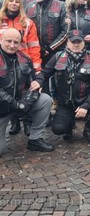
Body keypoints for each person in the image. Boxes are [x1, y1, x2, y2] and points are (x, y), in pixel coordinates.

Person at [30, 30, 90, 144]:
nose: (76, 45)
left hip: (85, 100)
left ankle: (88, 129)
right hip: (66, 103)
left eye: (79, 42)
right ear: (67, 43)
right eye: (72, 42)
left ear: (84, 43)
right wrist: (38, 81)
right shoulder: (58, 56)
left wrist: (85, 105)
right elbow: (45, 73)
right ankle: (69, 125)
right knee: (58, 129)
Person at [0, 28, 54, 156]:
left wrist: (25, 103)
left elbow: (33, 85)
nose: (12, 45)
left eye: (16, 42)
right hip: (2, 109)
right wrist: (15, 104)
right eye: (8, 41)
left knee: (45, 100)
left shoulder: (25, 58)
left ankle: (35, 139)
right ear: (1, 39)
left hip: (20, 102)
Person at [0, 0, 42, 136]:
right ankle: (14, 122)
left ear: (21, 4)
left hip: (24, 65)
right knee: (7, 94)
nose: (14, 3)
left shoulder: (28, 22)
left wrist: (37, 69)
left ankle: (28, 122)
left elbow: (34, 46)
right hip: (4, 65)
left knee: (26, 94)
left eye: (17, 1)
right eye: (11, 0)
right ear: (6, 2)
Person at [25, 0, 69, 91]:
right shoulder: (29, 7)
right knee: (40, 80)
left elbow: (66, 31)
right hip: (37, 52)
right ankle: (45, 105)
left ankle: (59, 104)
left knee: (59, 80)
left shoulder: (60, 5)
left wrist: (50, 48)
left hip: (56, 50)